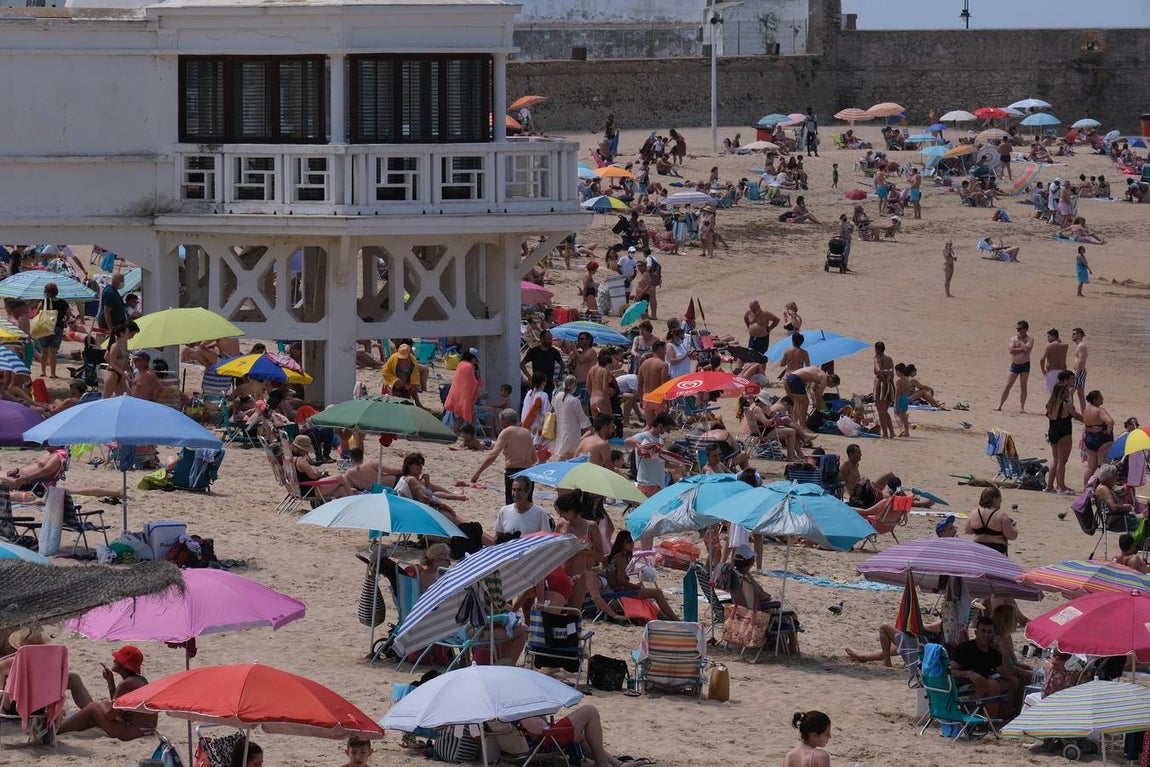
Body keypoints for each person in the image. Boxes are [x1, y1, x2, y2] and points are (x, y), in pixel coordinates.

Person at [57, 646, 158, 741]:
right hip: (146, 729)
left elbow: (110, 715)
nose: (114, 660)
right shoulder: (140, 680)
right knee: (97, 711)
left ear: (123, 664)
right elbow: (118, 707)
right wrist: (111, 682)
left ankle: (58, 730)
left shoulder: (127, 684)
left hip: (134, 731)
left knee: (92, 707)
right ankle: (63, 728)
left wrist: (101, 705)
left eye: (117, 659)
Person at [950, 616, 1020, 719]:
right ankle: (991, 722)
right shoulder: (965, 648)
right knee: (992, 684)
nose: (986, 634)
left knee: (1014, 682)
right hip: (962, 688)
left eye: (989, 632)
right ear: (976, 633)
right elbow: (950, 670)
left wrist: (1004, 652)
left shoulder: (993, 652)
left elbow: (1008, 675)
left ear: (994, 634)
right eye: (983, 631)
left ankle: (1004, 718)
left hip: (981, 684)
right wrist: (968, 674)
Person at [519, 705, 630, 767]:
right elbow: (539, 730)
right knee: (589, 711)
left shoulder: (509, 710)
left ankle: (617, 764)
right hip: (544, 744)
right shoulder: (517, 711)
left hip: (542, 740)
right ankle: (603, 763)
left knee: (583, 733)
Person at [471, 409, 537, 504]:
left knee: (512, 506)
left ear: (505, 421)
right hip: (529, 473)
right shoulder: (526, 432)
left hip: (514, 473)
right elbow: (534, 459)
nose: (500, 424)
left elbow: (493, 455)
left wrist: (477, 473)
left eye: (500, 421)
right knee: (527, 506)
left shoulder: (507, 432)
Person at [1044, 371, 1079, 495]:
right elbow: (1077, 416)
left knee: (1055, 460)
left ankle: (1049, 486)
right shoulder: (1066, 404)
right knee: (1062, 461)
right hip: (1064, 432)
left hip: (1052, 431)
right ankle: (1061, 487)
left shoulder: (1050, 403)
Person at [626, 413, 675, 501]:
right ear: (660, 426)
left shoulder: (660, 441)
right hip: (647, 485)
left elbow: (663, 464)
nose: (669, 433)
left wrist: (679, 465)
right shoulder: (645, 436)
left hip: (659, 486)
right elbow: (628, 440)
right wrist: (646, 445)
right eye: (667, 429)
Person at [783, 366, 839, 434]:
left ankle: (795, 422)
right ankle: (802, 426)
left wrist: (815, 401)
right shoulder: (824, 378)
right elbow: (819, 395)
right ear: (831, 380)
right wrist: (818, 409)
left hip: (791, 377)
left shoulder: (820, 374)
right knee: (805, 402)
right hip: (796, 379)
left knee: (798, 402)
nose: (830, 387)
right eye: (832, 385)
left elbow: (813, 389)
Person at [493, 476, 551, 541]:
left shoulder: (540, 513)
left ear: (528, 492)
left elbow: (546, 539)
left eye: (519, 490)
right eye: (514, 489)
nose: (515, 493)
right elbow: (497, 537)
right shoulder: (504, 511)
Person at [964, 486, 1017, 555]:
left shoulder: (974, 513)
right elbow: (1011, 536)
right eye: (999, 500)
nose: (1001, 502)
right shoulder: (1001, 515)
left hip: (978, 549)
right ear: (994, 499)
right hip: (997, 550)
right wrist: (1014, 527)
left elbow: (968, 531)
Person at [996, 320, 1034, 412]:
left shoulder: (1030, 339)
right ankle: (1000, 405)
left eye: (1020, 329)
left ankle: (1022, 407)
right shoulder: (1013, 338)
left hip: (1025, 364)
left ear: (1025, 329)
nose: (1018, 331)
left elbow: (1027, 349)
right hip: (1015, 364)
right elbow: (1011, 350)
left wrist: (1020, 341)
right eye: (1017, 329)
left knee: (1023, 386)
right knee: (1008, 385)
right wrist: (1022, 348)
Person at [550, 374, 590, 460]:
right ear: (573, 386)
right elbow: (583, 419)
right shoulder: (574, 401)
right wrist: (591, 429)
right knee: (570, 454)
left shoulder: (558, 397)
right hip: (572, 432)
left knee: (560, 451)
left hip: (560, 429)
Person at [36, 282, 71, 379]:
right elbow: (69, 314)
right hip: (58, 328)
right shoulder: (63, 303)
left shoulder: (44, 302)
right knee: (53, 353)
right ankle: (53, 373)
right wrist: (65, 322)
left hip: (45, 328)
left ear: (47, 292)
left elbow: (36, 314)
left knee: (44, 351)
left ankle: (43, 371)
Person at [442, 349, 481, 432]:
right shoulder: (469, 367)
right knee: (464, 416)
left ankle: (460, 432)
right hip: (464, 396)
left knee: (467, 415)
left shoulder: (461, 364)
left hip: (457, 394)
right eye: (475, 359)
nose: (476, 361)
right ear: (472, 358)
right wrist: (477, 373)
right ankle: (459, 432)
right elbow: (473, 382)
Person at [1082, 389, 1114, 488]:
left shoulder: (1086, 410)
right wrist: (1108, 432)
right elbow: (1110, 421)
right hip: (1101, 439)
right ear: (1095, 400)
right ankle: (1103, 488)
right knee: (1103, 466)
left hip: (1090, 438)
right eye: (1100, 397)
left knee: (1091, 467)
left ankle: (1085, 488)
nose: (1102, 399)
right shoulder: (1100, 410)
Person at [1094, 464, 1137, 532]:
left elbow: (1111, 499)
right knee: (1145, 523)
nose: (1116, 477)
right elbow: (1113, 507)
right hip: (1115, 522)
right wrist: (1127, 508)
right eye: (1115, 475)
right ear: (1109, 477)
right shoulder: (1103, 489)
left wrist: (1121, 492)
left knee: (1145, 517)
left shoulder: (1106, 487)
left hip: (1119, 518)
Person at [636, 341, 669, 429]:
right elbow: (664, 385)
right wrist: (667, 402)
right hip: (658, 397)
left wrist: (640, 399)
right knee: (660, 425)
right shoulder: (663, 365)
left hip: (647, 396)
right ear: (660, 349)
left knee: (648, 425)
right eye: (665, 349)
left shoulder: (644, 363)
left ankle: (641, 440)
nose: (666, 352)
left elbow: (640, 383)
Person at [102, 321, 139, 398]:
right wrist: (118, 368)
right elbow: (107, 358)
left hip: (120, 373)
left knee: (127, 397)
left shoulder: (124, 343)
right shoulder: (115, 345)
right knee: (105, 398)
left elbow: (125, 361)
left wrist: (130, 373)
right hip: (114, 373)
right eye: (131, 333)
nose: (132, 336)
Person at [520, 331, 563, 395]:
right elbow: (522, 364)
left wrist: (559, 377)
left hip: (549, 384)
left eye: (551, 338)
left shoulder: (554, 352)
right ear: (542, 339)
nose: (551, 341)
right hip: (536, 383)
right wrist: (529, 377)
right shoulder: (534, 351)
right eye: (549, 339)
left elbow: (563, 365)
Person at [872, 341, 895, 439]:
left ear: (876, 349)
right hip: (890, 384)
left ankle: (885, 434)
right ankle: (892, 432)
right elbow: (892, 373)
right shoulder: (889, 359)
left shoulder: (877, 359)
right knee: (885, 411)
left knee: (881, 412)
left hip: (881, 385)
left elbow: (878, 370)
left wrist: (881, 374)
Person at [1039, 329, 1069, 394]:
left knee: (1053, 394)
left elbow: (1042, 359)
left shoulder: (1049, 346)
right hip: (1063, 371)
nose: (1047, 339)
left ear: (1054, 336)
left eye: (1049, 337)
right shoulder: (1065, 346)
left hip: (1052, 372)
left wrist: (1043, 370)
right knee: (1062, 393)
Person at [1071, 327, 1089, 411]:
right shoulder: (1079, 346)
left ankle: (1071, 412)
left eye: (1074, 334)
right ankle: (1083, 414)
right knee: (1080, 394)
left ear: (1079, 335)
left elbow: (1081, 361)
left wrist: (1076, 373)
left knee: (1070, 392)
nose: (1072, 336)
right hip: (1078, 371)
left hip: (1079, 371)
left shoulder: (1081, 346)